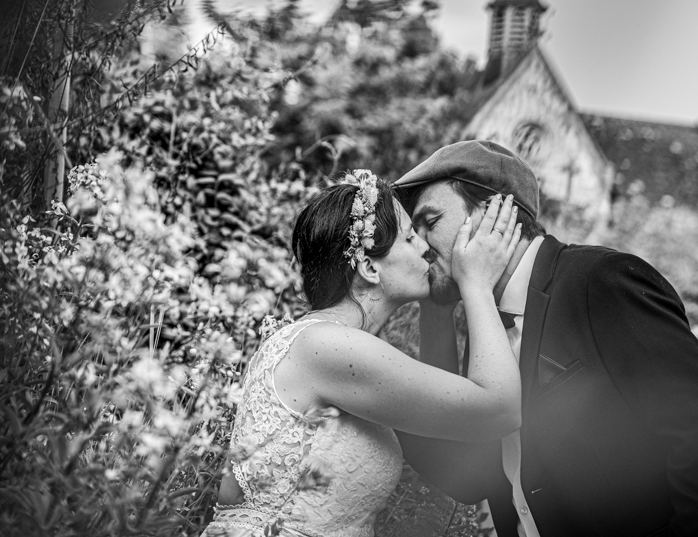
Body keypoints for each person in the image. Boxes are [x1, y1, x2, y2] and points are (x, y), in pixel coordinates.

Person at [394, 140, 698, 537]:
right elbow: (466, 474)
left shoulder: (602, 280)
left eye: (430, 220)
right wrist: (436, 309)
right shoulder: (486, 327)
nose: (420, 243)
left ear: (494, 212)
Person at [202, 169, 524, 537]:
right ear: (369, 267)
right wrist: (477, 284)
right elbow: (498, 409)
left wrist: (437, 308)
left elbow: (451, 438)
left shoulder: (321, 342)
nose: (425, 246)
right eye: (409, 237)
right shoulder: (329, 347)